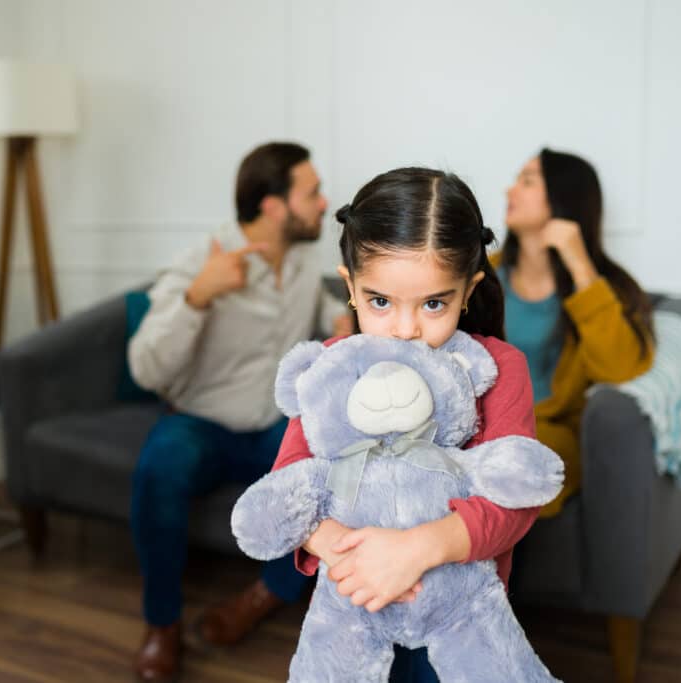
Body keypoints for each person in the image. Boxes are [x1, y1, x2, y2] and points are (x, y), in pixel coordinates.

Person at [272, 167, 546, 681]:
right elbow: (290, 480)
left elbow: (514, 501)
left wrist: (417, 550)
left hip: (455, 614)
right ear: (350, 286)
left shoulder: (500, 368)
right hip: (357, 607)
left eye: (434, 304)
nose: (404, 330)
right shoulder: (331, 368)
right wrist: (345, 552)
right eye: (380, 301)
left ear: (469, 291)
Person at [127, 141, 352, 681]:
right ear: (274, 206)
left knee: (336, 474)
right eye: (313, 192)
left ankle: (263, 596)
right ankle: (162, 625)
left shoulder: (300, 264)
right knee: (159, 469)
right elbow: (145, 369)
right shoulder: (202, 262)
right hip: (199, 422)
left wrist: (343, 324)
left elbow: (322, 315)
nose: (324, 203)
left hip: (270, 426)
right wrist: (198, 297)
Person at [498, 148, 654, 517]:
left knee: (513, 463)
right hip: (482, 423)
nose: (510, 191)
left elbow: (619, 369)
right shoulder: (483, 274)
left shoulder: (604, 287)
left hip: (548, 433)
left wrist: (579, 263)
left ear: (561, 199)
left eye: (527, 181)